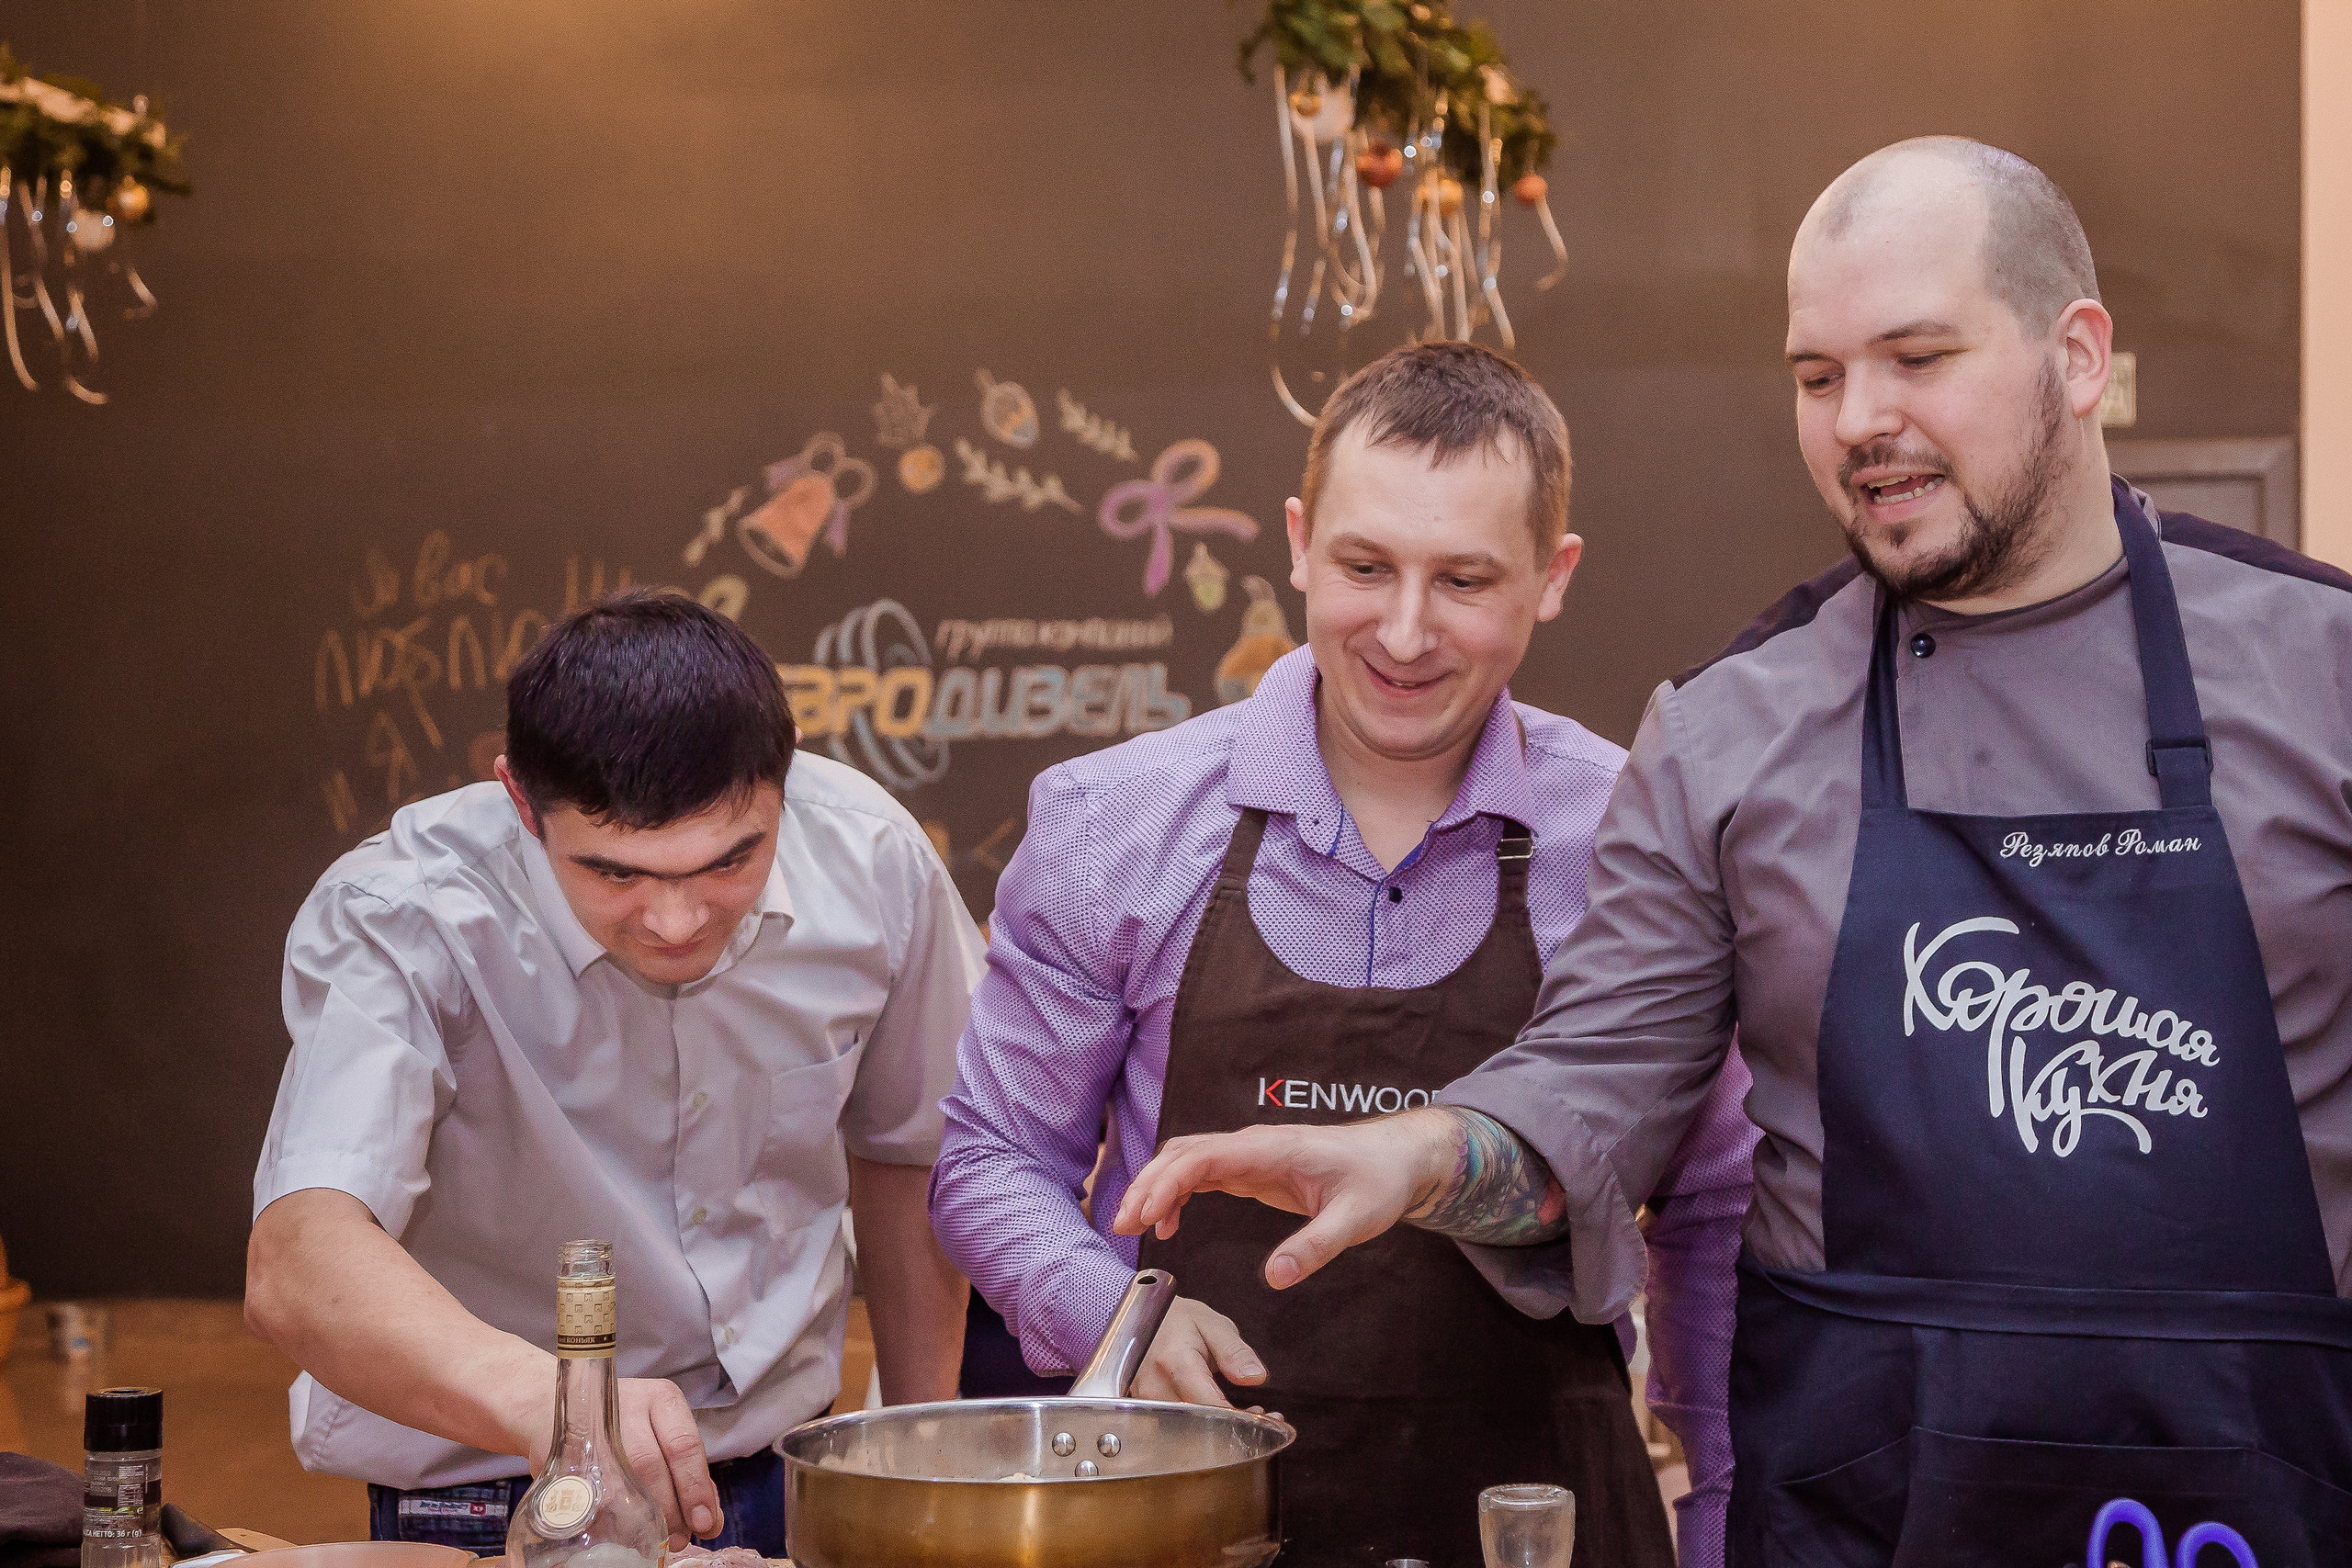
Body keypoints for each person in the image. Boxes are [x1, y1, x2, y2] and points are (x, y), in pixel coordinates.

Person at [1112, 136, 2352, 1567]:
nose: (1858, 419)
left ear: (2076, 356)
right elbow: (1595, 1085)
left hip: (2276, 1493)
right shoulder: (1732, 725)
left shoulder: (2318, 669)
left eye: (1917, 357)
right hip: (1869, 1505)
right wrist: (1414, 1154)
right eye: (1818, 376)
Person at [931, 341, 1757, 1568]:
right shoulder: (1115, 822)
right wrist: (1110, 1312)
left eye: (1466, 579)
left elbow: (1714, 1202)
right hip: (1184, 1511)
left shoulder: (1635, 833)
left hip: (1543, 1521)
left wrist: (1723, 1520)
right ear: (1300, 540)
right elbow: (992, 1157)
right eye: (1366, 566)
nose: (1407, 632)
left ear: (1554, 574)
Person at [246, 592, 979, 1556]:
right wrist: (563, 1410)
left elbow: (912, 1151)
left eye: (730, 861)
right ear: (520, 801)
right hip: (492, 1488)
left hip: (778, 1468)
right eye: (616, 874)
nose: (677, 924)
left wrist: (911, 1454)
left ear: (783, 784)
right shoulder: (403, 914)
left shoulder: (873, 859)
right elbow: (297, 1261)